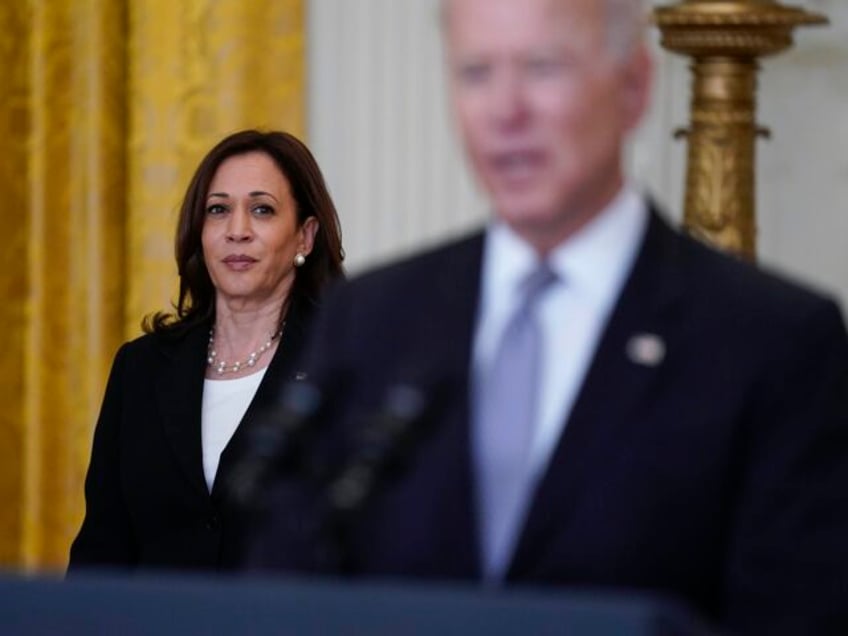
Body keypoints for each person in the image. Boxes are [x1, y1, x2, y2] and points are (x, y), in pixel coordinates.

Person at [248, 0, 848, 633]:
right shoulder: (372, 319)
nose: (507, 112)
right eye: (477, 73)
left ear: (634, 86)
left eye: (543, 67)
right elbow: (290, 591)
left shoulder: (774, 341)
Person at [68, 129, 345, 571]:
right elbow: (101, 552)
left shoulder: (341, 369)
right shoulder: (140, 369)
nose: (238, 231)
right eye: (218, 210)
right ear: (200, 231)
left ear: (304, 237)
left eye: (262, 210)